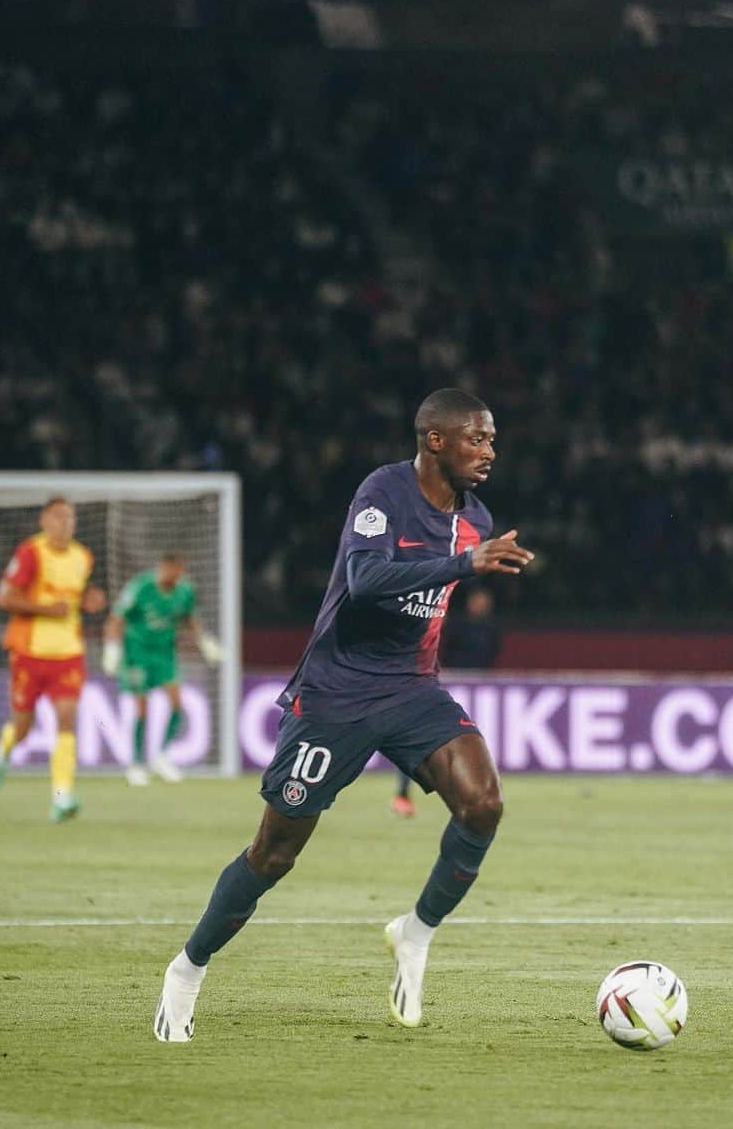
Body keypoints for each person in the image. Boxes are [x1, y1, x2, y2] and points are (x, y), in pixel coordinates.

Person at [154, 388, 533, 1041]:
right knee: (274, 854)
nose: (490, 451)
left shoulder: (476, 518)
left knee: (484, 805)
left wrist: (469, 565)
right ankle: (187, 969)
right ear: (434, 440)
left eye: (493, 439)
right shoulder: (382, 495)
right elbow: (364, 579)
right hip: (335, 693)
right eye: (478, 438)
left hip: (413, 690)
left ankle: (414, 933)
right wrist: (463, 565)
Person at [0, 497, 107, 820]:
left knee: (66, 720)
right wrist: (47, 610)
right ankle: (3, 749)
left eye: (70, 518)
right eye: (58, 517)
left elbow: (73, 595)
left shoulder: (83, 557)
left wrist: (87, 599)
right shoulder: (30, 553)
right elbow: (5, 597)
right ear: (44, 520)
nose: (64, 524)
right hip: (29, 653)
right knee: (22, 727)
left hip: (68, 653)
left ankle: (61, 796)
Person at [102, 553, 222, 786]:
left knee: (177, 702)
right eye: (170, 570)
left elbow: (190, 617)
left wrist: (204, 641)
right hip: (137, 653)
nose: (173, 575)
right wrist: (112, 647)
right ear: (162, 568)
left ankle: (161, 756)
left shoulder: (184, 590)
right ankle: (136, 764)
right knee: (142, 708)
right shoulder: (140, 587)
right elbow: (116, 618)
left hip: (165, 655)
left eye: (178, 571)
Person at [391, 585, 502, 817]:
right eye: (477, 599)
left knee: (472, 741)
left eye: (484, 600)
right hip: (449, 682)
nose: (481, 604)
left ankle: (481, 792)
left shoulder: (491, 627)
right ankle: (403, 794)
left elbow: (492, 652)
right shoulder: (456, 625)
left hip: (480, 684)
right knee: (421, 739)